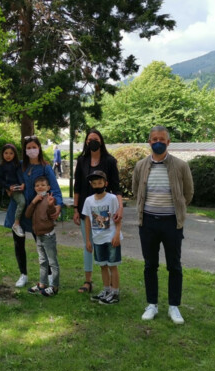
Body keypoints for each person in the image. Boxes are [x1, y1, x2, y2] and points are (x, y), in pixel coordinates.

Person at [132, 125, 193, 324]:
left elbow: (188, 193)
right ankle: (152, 304)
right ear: (149, 142)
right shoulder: (141, 165)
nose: (158, 142)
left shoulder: (181, 165)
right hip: (147, 222)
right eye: (154, 139)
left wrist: (177, 209)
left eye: (162, 139)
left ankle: (174, 306)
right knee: (150, 265)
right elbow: (136, 191)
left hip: (172, 223)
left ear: (168, 142)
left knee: (174, 265)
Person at [3, 135, 63, 288]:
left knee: (43, 245)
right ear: (24, 150)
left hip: (38, 214)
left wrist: (58, 205)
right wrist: (7, 188)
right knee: (18, 244)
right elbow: (6, 177)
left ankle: (49, 275)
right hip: (17, 211)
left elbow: (55, 190)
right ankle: (23, 274)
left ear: (39, 149)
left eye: (34, 147)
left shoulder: (45, 167)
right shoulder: (20, 165)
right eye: (28, 148)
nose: (31, 150)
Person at [73, 129, 123, 294]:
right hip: (86, 209)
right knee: (88, 244)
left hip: (106, 209)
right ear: (86, 142)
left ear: (101, 141)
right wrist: (75, 208)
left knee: (106, 245)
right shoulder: (82, 161)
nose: (92, 141)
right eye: (89, 139)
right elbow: (78, 186)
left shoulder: (109, 161)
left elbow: (116, 187)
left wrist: (120, 207)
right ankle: (88, 281)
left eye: (95, 138)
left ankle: (110, 287)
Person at [82, 170, 123, 305]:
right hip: (97, 238)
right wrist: (88, 240)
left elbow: (117, 217)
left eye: (100, 182)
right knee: (102, 265)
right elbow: (87, 220)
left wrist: (117, 234)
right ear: (91, 185)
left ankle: (115, 292)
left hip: (111, 238)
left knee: (112, 266)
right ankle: (106, 290)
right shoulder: (88, 201)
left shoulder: (112, 198)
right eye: (94, 183)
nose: (97, 185)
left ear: (105, 183)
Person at [24, 176, 59, 296]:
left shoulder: (49, 200)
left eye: (43, 185)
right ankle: (42, 284)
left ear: (48, 187)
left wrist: (50, 205)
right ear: (34, 188)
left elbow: (52, 213)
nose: (40, 187)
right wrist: (33, 202)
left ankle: (54, 287)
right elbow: (27, 214)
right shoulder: (35, 200)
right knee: (42, 261)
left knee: (52, 262)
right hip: (38, 235)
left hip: (48, 235)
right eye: (37, 185)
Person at [0, 144, 26, 237]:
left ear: (15, 154)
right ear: (2, 154)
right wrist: (8, 187)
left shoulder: (17, 164)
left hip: (19, 187)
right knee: (22, 202)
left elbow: (20, 175)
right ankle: (16, 224)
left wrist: (22, 183)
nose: (8, 155)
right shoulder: (0, 165)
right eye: (6, 153)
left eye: (11, 153)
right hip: (11, 189)